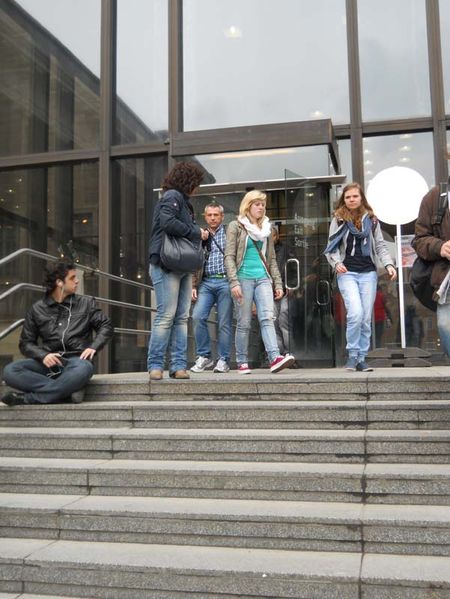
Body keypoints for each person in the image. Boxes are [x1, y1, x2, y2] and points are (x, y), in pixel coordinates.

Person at [1, 261, 113, 406]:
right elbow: (25, 343)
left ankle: (28, 399)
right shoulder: (37, 309)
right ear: (59, 282)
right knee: (11, 370)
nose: (77, 281)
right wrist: (43, 355)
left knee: (84, 368)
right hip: (48, 363)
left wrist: (93, 347)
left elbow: (106, 325)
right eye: (72, 278)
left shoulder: (86, 303)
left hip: (76, 361)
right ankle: (65, 392)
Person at [324, 182, 397, 371]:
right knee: (355, 313)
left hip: (368, 273)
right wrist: (337, 263)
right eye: (348, 197)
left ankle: (361, 358)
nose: (351, 199)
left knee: (365, 317)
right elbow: (331, 246)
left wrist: (389, 264)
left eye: (355, 196)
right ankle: (352, 354)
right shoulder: (339, 219)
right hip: (347, 272)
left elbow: (380, 245)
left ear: (361, 198)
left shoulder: (372, 220)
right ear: (344, 200)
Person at [147, 161, 209, 381]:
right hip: (166, 264)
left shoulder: (181, 200)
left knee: (181, 317)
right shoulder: (172, 196)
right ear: (189, 181)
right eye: (196, 184)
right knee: (167, 316)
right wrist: (196, 232)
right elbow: (167, 223)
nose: (197, 188)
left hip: (180, 265)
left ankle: (178, 366)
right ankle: (156, 365)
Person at [224, 189, 295, 374]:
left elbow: (271, 259)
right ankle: (241, 361)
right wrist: (234, 282)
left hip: (263, 278)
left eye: (263, 205)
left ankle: (274, 357)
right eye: (257, 204)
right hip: (243, 278)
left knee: (267, 317)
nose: (261, 208)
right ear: (248, 206)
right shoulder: (236, 226)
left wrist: (278, 284)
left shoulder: (267, 228)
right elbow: (229, 256)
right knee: (244, 322)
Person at [191, 202, 233, 373]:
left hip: (225, 281)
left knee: (224, 322)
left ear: (222, 217)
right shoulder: (201, 235)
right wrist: (193, 285)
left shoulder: (230, 233)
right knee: (197, 316)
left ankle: (223, 360)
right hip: (206, 283)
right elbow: (194, 261)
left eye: (216, 215)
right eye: (210, 215)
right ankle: (204, 356)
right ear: (205, 216)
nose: (213, 218)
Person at [412, 182, 450, 354]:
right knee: (446, 324)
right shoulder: (435, 197)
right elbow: (419, 239)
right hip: (446, 277)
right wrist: (439, 247)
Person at [271, 224, 290, 355]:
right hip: (268, 290)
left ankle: (290, 351)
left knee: (284, 318)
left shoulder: (285, 249)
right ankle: (279, 352)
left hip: (284, 289)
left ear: (276, 236)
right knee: (272, 322)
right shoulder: (260, 250)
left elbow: (293, 266)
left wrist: (291, 285)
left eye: (271, 236)